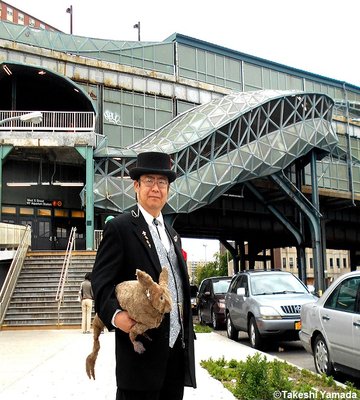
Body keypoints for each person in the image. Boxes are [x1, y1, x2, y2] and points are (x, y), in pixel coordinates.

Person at [91, 151, 196, 400]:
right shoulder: (120, 227)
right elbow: (101, 282)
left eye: (162, 182)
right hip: (139, 360)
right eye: (149, 180)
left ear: (168, 189)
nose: (156, 188)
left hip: (175, 358)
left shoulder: (173, 234)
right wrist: (118, 317)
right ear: (136, 186)